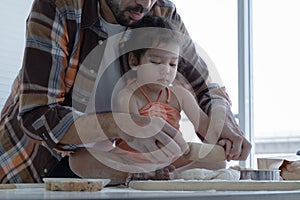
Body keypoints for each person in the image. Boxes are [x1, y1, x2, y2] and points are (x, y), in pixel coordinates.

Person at [0, 0, 251, 184]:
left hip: (124, 171)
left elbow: (205, 87)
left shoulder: (161, 11)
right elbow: (38, 116)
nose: (144, 4)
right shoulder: (60, 6)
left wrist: (224, 121)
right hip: (34, 161)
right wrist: (124, 125)